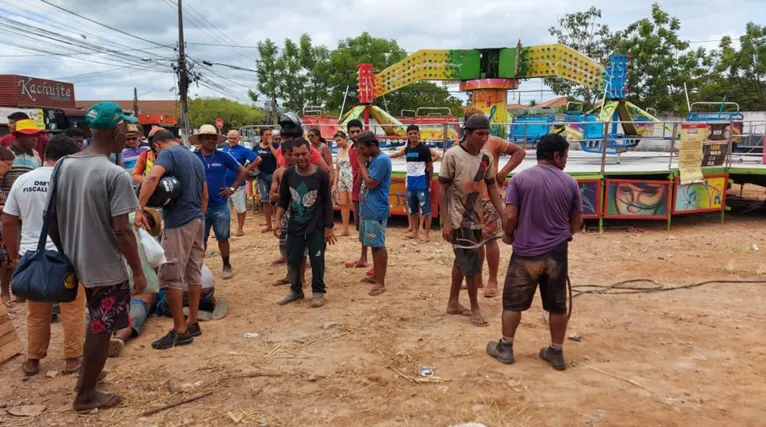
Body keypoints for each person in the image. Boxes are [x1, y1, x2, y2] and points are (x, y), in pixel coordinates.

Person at [48, 102, 146, 412]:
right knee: (102, 328)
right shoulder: (114, 174)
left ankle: (86, 378)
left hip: (75, 259)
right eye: (126, 129)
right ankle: (86, 394)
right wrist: (137, 269)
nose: (127, 134)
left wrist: (67, 250)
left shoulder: (63, 165)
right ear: (117, 131)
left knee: (96, 322)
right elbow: (122, 230)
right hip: (104, 265)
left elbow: (50, 219)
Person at [486, 133, 583, 371]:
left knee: (512, 304)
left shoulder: (520, 180)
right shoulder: (570, 182)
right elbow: (577, 220)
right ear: (557, 156)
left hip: (526, 253)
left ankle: (506, 347)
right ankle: (557, 352)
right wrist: (565, 235)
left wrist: (508, 235)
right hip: (556, 255)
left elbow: (510, 216)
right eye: (566, 156)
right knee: (557, 305)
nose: (566, 161)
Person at [2, 135, 85, 375]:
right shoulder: (72, 181)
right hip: (67, 255)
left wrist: (13, 254)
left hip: (32, 254)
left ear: (46, 155)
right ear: (68, 158)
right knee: (72, 308)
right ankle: (72, 360)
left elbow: (8, 221)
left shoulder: (22, 180)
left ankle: (33, 360)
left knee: (36, 312)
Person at [135, 130, 208, 349]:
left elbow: (153, 177)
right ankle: (193, 321)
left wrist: (139, 209)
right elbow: (205, 194)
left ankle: (180, 330)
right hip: (197, 220)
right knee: (194, 273)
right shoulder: (194, 157)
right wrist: (198, 216)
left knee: (171, 277)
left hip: (179, 222)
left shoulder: (168, 154)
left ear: (156, 145)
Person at [438, 114, 504, 327]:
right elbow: (442, 188)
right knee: (472, 264)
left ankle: (453, 302)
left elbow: (492, 187)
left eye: (486, 134)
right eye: (479, 134)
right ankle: (475, 306)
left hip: (476, 218)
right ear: (467, 132)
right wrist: (446, 221)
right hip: (459, 220)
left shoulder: (486, 158)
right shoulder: (452, 156)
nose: (484, 138)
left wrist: (504, 215)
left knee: (461, 261)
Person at [463, 107, 526, 298]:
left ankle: (492, 280)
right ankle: (478, 277)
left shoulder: (493, 142)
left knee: (490, 240)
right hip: (471, 200)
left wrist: (503, 172)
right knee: (474, 241)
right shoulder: (461, 147)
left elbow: (519, 152)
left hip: (490, 198)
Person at [275, 137, 335, 307]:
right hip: (295, 225)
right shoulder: (288, 174)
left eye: (304, 154)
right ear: (291, 156)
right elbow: (284, 199)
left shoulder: (321, 175)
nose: (301, 158)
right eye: (297, 155)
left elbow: (327, 203)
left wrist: (328, 226)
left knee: (317, 259)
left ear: (311, 153)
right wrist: (277, 220)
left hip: (316, 225)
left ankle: (318, 291)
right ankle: (295, 290)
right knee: (293, 259)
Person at [193, 124, 248, 280]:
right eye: (207, 137)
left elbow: (242, 171)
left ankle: (226, 265)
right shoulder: (193, 157)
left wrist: (232, 188)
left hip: (219, 205)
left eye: (213, 138)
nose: (210, 141)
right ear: (200, 139)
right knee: (199, 240)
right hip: (199, 207)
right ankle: (198, 268)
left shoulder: (223, 156)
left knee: (223, 237)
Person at [1, 118, 44, 304]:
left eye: (36, 136)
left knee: (27, 251)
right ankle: (5, 291)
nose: (34, 140)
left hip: (29, 209)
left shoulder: (36, 156)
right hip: (10, 209)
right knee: (10, 251)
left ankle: (23, 289)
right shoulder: (7, 155)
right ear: (17, 136)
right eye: (29, 136)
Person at [108, 209, 162, 357]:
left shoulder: (121, 224)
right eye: (147, 218)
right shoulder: (127, 225)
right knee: (135, 311)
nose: (147, 222)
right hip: (137, 288)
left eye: (150, 221)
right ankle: (116, 338)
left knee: (135, 311)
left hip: (134, 289)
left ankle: (117, 339)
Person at [355, 131, 392, 296]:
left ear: (372, 145)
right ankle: (376, 275)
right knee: (373, 244)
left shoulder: (382, 160)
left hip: (376, 209)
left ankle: (380, 282)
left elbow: (371, 184)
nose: (361, 152)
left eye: (362, 148)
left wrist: (362, 164)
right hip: (368, 208)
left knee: (378, 245)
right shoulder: (374, 160)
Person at [388, 124, 440, 241]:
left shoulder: (424, 149)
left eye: (414, 133)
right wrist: (385, 156)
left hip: (421, 182)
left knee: (425, 209)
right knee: (412, 210)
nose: (412, 135)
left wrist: (429, 180)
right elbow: (398, 154)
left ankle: (426, 233)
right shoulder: (408, 148)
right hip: (410, 183)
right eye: (410, 133)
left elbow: (430, 166)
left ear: (418, 134)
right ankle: (415, 232)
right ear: (407, 135)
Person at [270, 139, 306, 285]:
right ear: (283, 155)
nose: (292, 157)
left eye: (294, 154)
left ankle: (301, 278)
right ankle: (290, 275)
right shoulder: (279, 172)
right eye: (289, 154)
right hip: (285, 213)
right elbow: (272, 195)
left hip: (300, 213)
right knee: (287, 247)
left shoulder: (304, 171)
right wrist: (287, 195)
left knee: (301, 248)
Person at [222, 130, 261, 237]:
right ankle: (225, 229)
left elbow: (258, 159)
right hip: (224, 184)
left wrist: (247, 170)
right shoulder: (225, 150)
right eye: (230, 138)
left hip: (238, 184)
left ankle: (240, 228)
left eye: (234, 138)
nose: (231, 140)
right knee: (225, 209)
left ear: (238, 139)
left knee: (240, 208)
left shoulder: (243, 150)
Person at [344, 120, 371, 273]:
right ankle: (363, 256)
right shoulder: (351, 150)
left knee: (368, 225)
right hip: (355, 189)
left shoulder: (366, 150)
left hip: (365, 190)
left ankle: (365, 257)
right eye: (352, 132)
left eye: (357, 131)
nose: (355, 134)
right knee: (360, 226)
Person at [155, 263, 227, 319]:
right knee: (202, 298)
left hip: (188, 294)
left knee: (163, 306)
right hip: (208, 291)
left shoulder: (168, 256)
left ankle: (184, 310)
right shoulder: (194, 250)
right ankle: (212, 303)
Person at [253, 127, 279, 232]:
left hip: (273, 175)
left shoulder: (276, 146)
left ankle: (277, 222)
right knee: (265, 200)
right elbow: (252, 159)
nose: (268, 137)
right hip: (262, 175)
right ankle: (268, 224)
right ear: (261, 136)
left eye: (270, 135)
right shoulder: (256, 147)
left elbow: (278, 156)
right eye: (266, 135)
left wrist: (270, 145)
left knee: (275, 199)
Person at [332, 131, 353, 236]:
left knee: (354, 203)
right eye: (336, 141)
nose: (338, 142)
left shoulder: (352, 149)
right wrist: (335, 184)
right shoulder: (339, 152)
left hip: (351, 177)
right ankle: (345, 230)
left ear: (345, 138)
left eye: (339, 140)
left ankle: (361, 228)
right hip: (342, 178)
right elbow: (337, 170)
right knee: (343, 205)